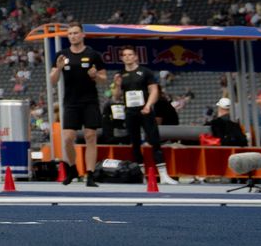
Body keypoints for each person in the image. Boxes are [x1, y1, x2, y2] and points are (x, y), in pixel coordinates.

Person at [116, 47, 176, 184]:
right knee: (135, 143)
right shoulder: (120, 74)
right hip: (130, 113)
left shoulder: (145, 72)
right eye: (124, 55)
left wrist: (148, 105)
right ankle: (141, 175)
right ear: (122, 58)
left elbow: (153, 90)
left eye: (130, 54)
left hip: (146, 111)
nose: (127, 57)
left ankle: (164, 175)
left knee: (155, 141)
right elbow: (117, 96)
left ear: (135, 56)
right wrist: (117, 85)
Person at [55, 25, 106, 186]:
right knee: (68, 138)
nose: (73, 36)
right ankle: (72, 169)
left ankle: (90, 174)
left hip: (90, 101)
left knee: (91, 136)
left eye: (75, 33)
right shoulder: (62, 55)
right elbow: (52, 80)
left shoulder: (93, 55)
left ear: (82, 35)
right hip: (71, 102)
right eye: (70, 34)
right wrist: (58, 69)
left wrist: (95, 75)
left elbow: (104, 79)